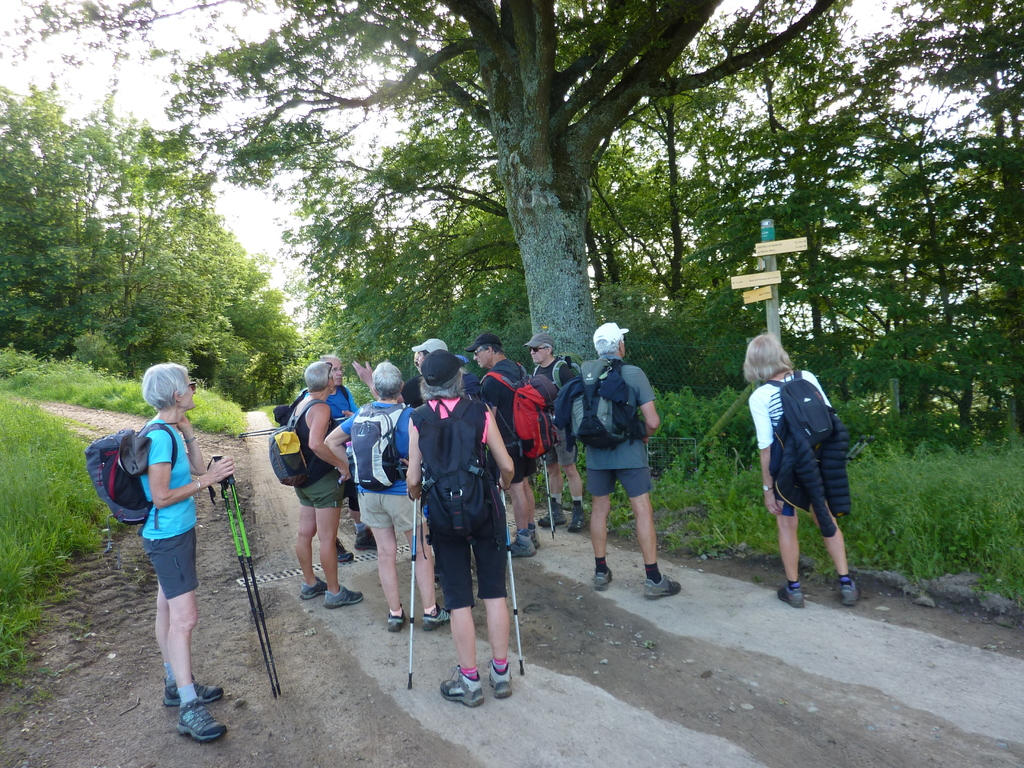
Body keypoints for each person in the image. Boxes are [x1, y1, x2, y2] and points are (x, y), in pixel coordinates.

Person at [406, 351, 516, 706]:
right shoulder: (480, 411)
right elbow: (506, 466)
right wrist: (502, 485)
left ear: (427, 384)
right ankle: (501, 672)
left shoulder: (418, 418)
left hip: (443, 515)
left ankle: (469, 681)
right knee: (495, 592)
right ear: (458, 379)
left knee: (457, 599)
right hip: (485, 509)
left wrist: (416, 493)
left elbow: (413, 479)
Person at [139, 363, 236, 742]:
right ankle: (189, 706)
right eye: (191, 385)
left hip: (172, 533)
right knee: (185, 618)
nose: (195, 388)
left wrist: (189, 431)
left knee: (166, 606)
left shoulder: (169, 430)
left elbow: (196, 467)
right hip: (168, 537)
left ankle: (175, 685)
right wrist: (208, 481)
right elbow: (161, 496)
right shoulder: (160, 437)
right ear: (178, 394)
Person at [326, 362, 450, 633]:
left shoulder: (361, 413)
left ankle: (395, 613)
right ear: (402, 387)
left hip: (368, 492)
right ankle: (431, 611)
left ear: (377, 389)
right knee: (420, 550)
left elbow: (331, 441)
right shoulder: (410, 416)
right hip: (403, 492)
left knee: (385, 553)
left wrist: (349, 468)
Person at [743, 332, 859, 608]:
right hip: (817, 463)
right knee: (825, 516)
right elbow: (827, 418)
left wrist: (768, 489)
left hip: (788, 470)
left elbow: (766, 448)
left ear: (754, 363)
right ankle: (846, 584)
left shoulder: (760, 397)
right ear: (779, 354)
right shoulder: (806, 378)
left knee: (786, 523)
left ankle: (794, 590)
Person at [584, 323, 681, 599]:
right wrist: (645, 435)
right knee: (642, 510)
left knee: (599, 509)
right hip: (630, 452)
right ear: (620, 346)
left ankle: (600, 571)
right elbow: (653, 421)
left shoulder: (587, 375)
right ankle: (653, 579)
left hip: (596, 453)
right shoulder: (634, 373)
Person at [292, 361, 364, 609]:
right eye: (332, 374)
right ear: (328, 382)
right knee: (327, 538)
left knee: (305, 533)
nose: (336, 376)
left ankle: (310, 583)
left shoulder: (301, 402)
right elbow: (315, 443)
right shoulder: (321, 408)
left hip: (303, 479)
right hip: (322, 480)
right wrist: (341, 465)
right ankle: (334, 592)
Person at [466, 332, 537, 557]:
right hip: (527, 438)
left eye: (477, 352)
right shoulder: (519, 368)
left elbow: (490, 419)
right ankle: (531, 532)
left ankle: (523, 540)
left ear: (490, 350)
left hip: (507, 443)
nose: (475, 357)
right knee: (524, 484)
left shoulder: (491, 381)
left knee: (515, 489)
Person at [525, 331, 585, 532]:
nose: (532, 352)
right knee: (552, 468)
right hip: (544, 427)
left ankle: (578, 512)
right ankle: (556, 511)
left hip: (562, 426)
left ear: (548, 349)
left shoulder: (561, 370)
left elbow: (574, 397)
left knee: (569, 468)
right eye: (531, 349)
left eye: (535, 349)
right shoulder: (536, 371)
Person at [320, 354, 373, 553]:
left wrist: (353, 417)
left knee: (353, 493)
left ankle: (362, 534)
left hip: (347, 451)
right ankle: (331, 544)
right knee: (330, 500)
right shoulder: (313, 395)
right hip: (325, 455)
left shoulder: (343, 391)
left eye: (340, 368)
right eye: (334, 369)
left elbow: (358, 412)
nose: (340, 373)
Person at [401, 339, 481, 407]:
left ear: (428, 357)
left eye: (420, 354)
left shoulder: (418, 382)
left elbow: (396, 400)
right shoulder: (467, 377)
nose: (417, 359)